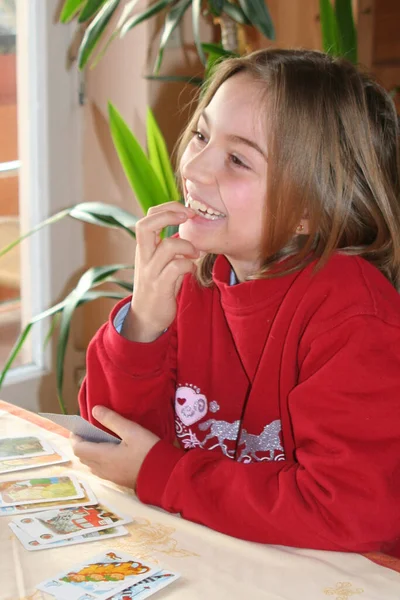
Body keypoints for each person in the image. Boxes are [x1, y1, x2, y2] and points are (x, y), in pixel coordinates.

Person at [72, 48, 400, 556]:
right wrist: (143, 325)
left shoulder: (352, 316)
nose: (195, 168)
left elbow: (350, 514)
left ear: (308, 211)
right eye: (202, 135)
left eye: (238, 159)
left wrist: (165, 474)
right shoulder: (195, 279)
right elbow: (114, 443)